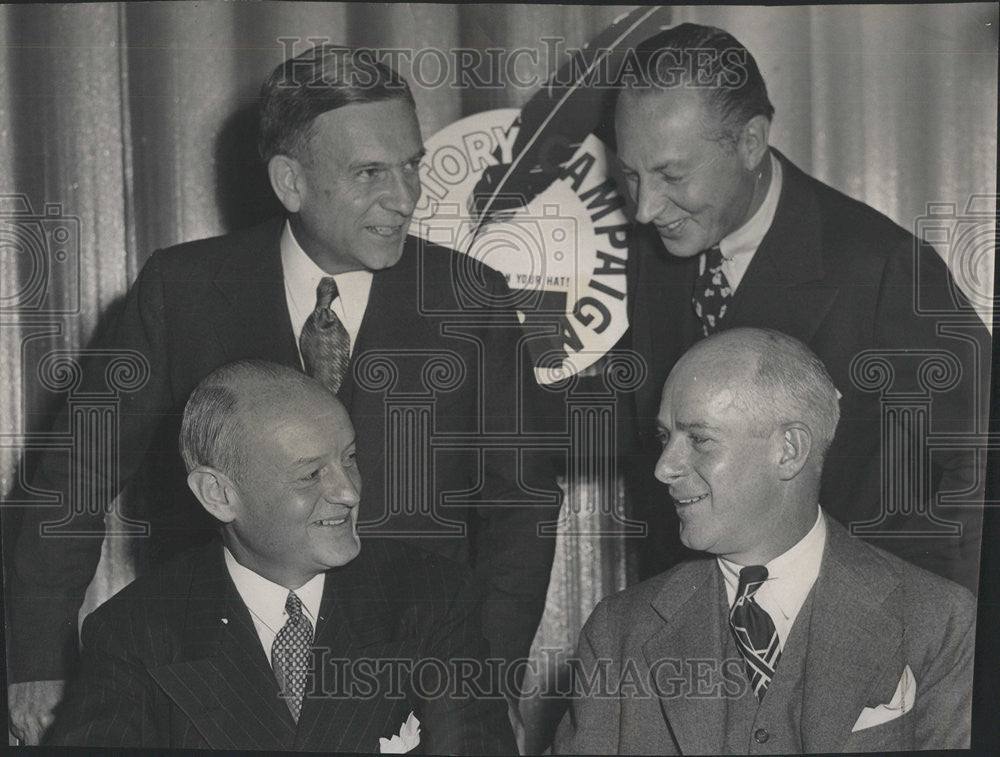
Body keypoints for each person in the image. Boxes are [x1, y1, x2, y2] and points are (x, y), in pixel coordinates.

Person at [5, 45, 560, 743]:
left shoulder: (469, 297)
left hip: (408, 678)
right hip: (215, 679)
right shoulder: (182, 290)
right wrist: (38, 657)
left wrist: (485, 675)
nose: (405, 197)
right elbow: (74, 476)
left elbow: (523, 504)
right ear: (290, 181)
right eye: (369, 173)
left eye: (412, 165)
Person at [615, 23, 989, 592]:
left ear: (749, 142)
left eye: (671, 174)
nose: (644, 209)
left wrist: (931, 631)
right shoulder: (654, 247)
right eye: (632, 175)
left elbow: (981, 464)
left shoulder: (884, 265)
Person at [45, 360, 516, 752]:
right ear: (218, 494)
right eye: (311, 475)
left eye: (349, 457)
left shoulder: (434, 598)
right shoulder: (136, 632)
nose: (348, 492)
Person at [554, 328, 975, 754]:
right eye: (665, 438)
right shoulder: (618, 633)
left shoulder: (940, 624)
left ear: (789, 450)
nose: (664, 467)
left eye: (699, 439)